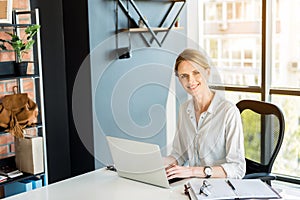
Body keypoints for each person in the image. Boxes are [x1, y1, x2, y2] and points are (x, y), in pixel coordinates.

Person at [165, 48, 246, 180]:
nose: (190, 81)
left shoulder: (228, 112)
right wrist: (156, 164)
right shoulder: (185, 110)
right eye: (184, 76)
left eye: (196, 73)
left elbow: (237, 168)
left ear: (207, 73)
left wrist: (193, 171)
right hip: (193, 186)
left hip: (220, 188)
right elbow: (179, 154)